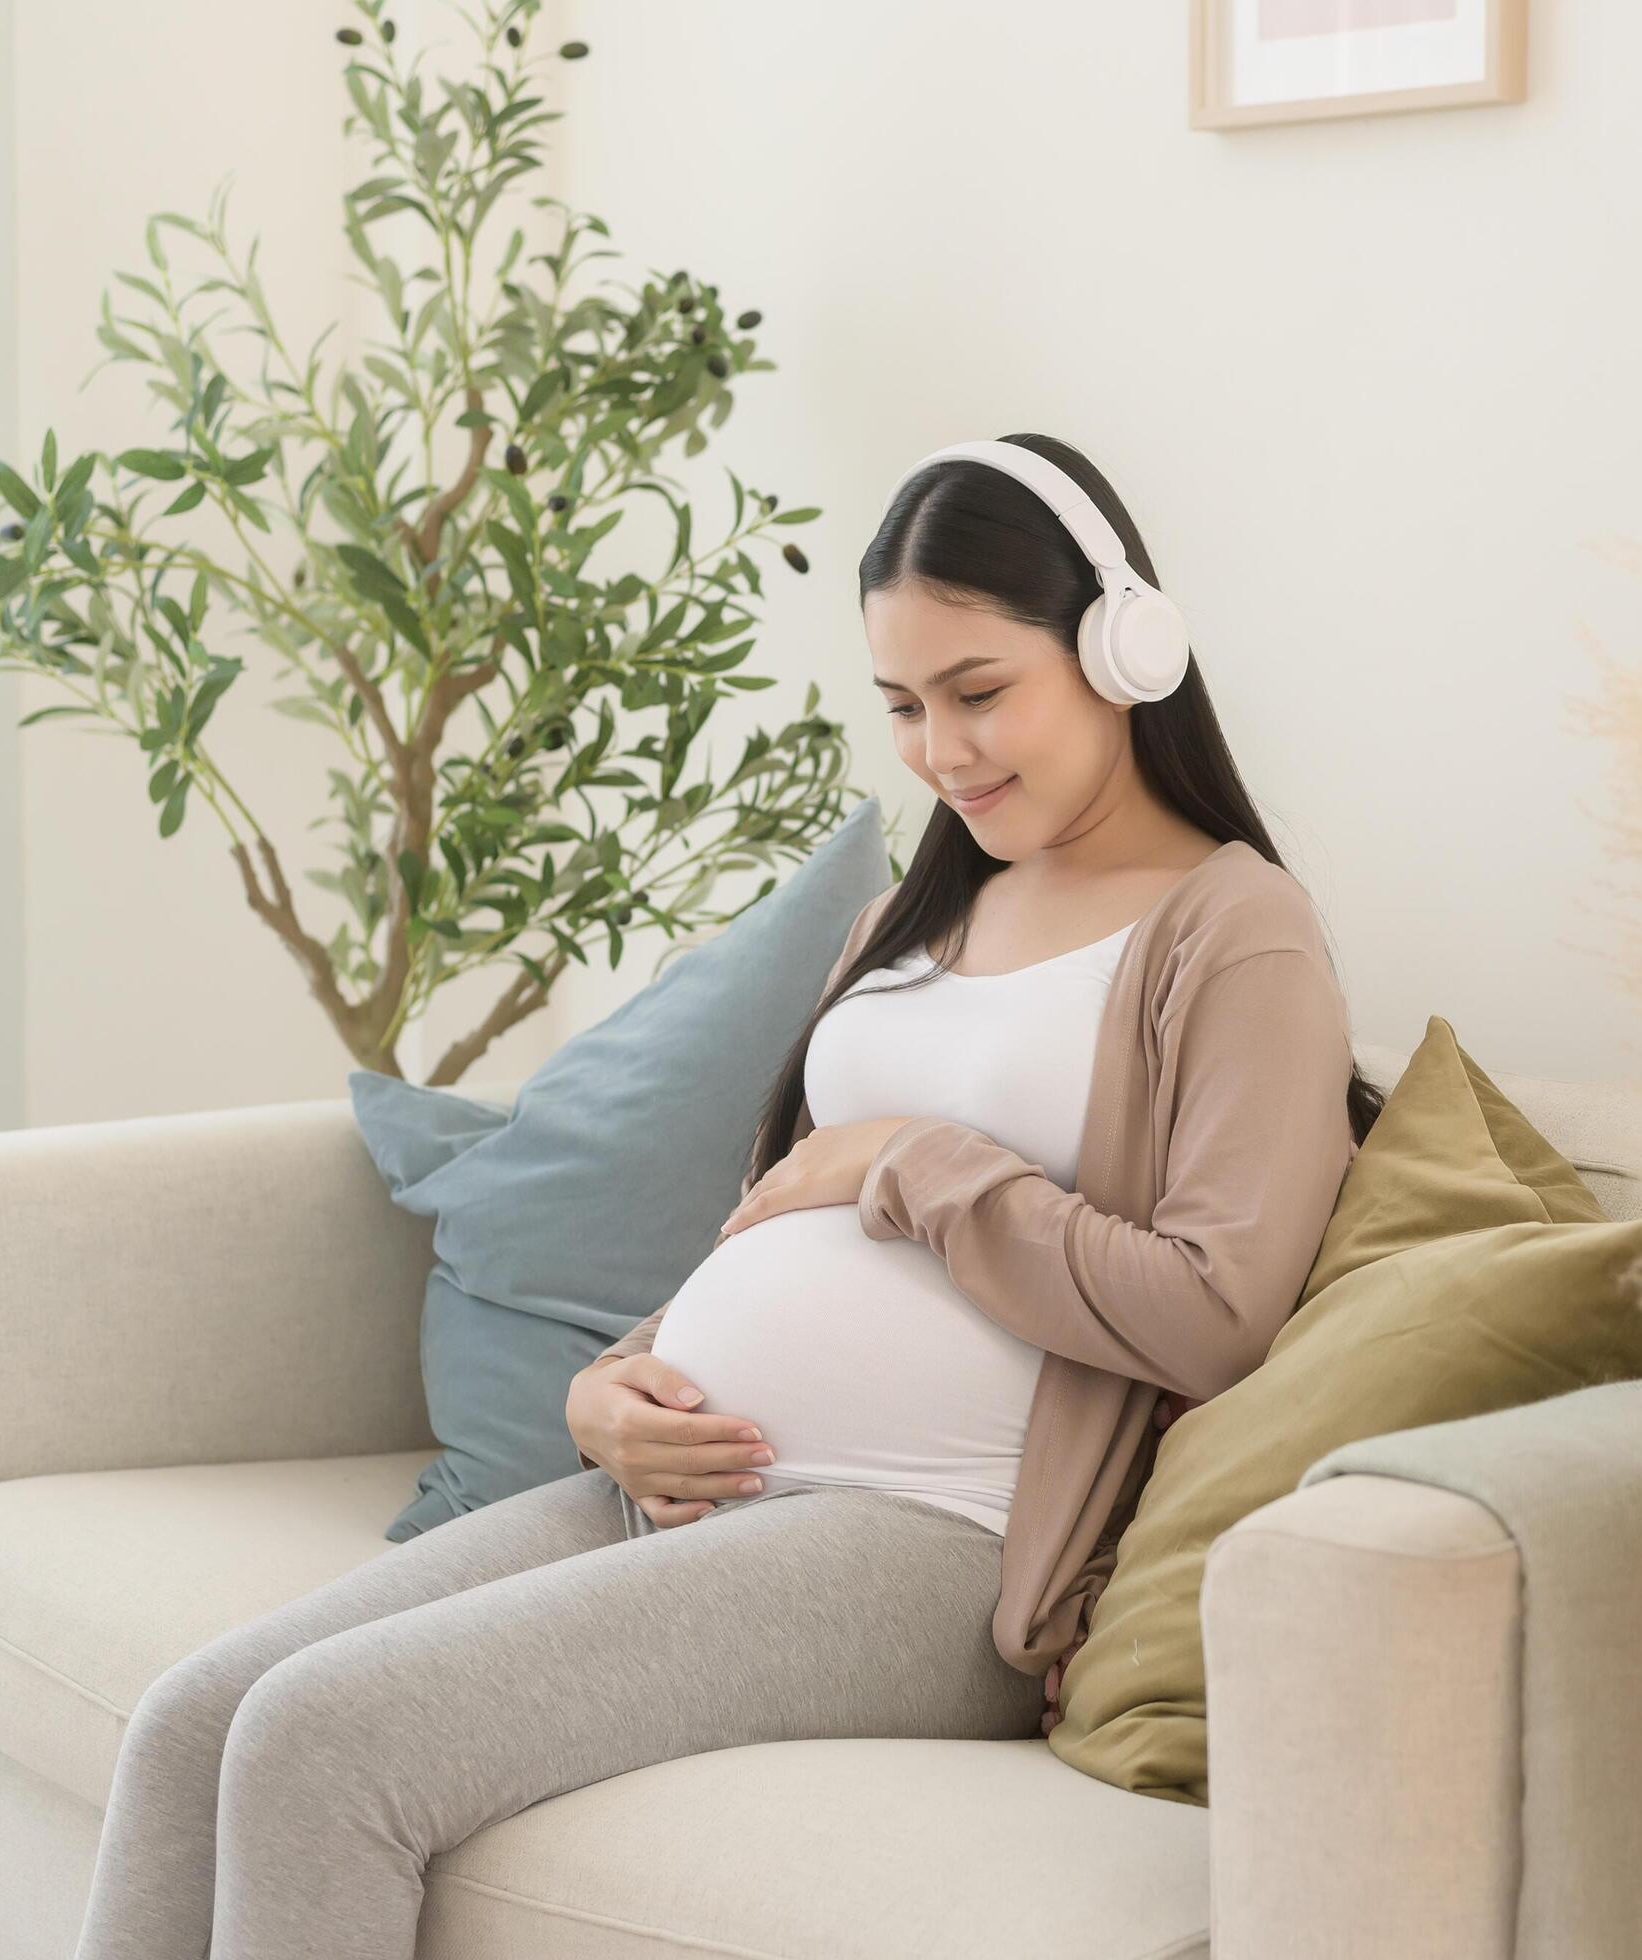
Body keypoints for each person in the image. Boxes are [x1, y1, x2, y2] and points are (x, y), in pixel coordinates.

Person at [70, 432, 1383, 1959]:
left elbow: (1216, 1313)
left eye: (978, 692)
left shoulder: (1235, 931)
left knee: (322, 1743)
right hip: (691, 1483)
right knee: (193, 1724)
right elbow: (773, 1226)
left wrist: (907, 1161)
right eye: (901, 706)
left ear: (1118, 648)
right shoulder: (920, 906)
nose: (941, 752)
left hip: (937, 1540)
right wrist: (613, 1384)